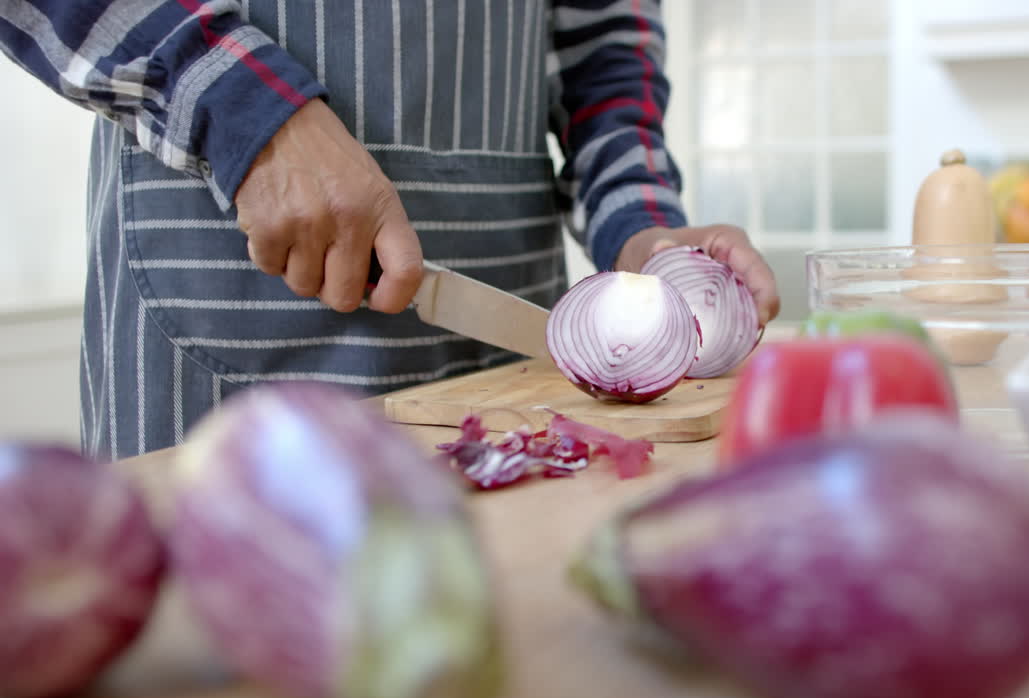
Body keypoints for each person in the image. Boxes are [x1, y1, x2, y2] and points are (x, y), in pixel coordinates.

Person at [0, 0, 779, 461]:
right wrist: (242, 108)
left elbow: (606, 53)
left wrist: (642, 228)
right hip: (216, 288)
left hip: (509, 352)